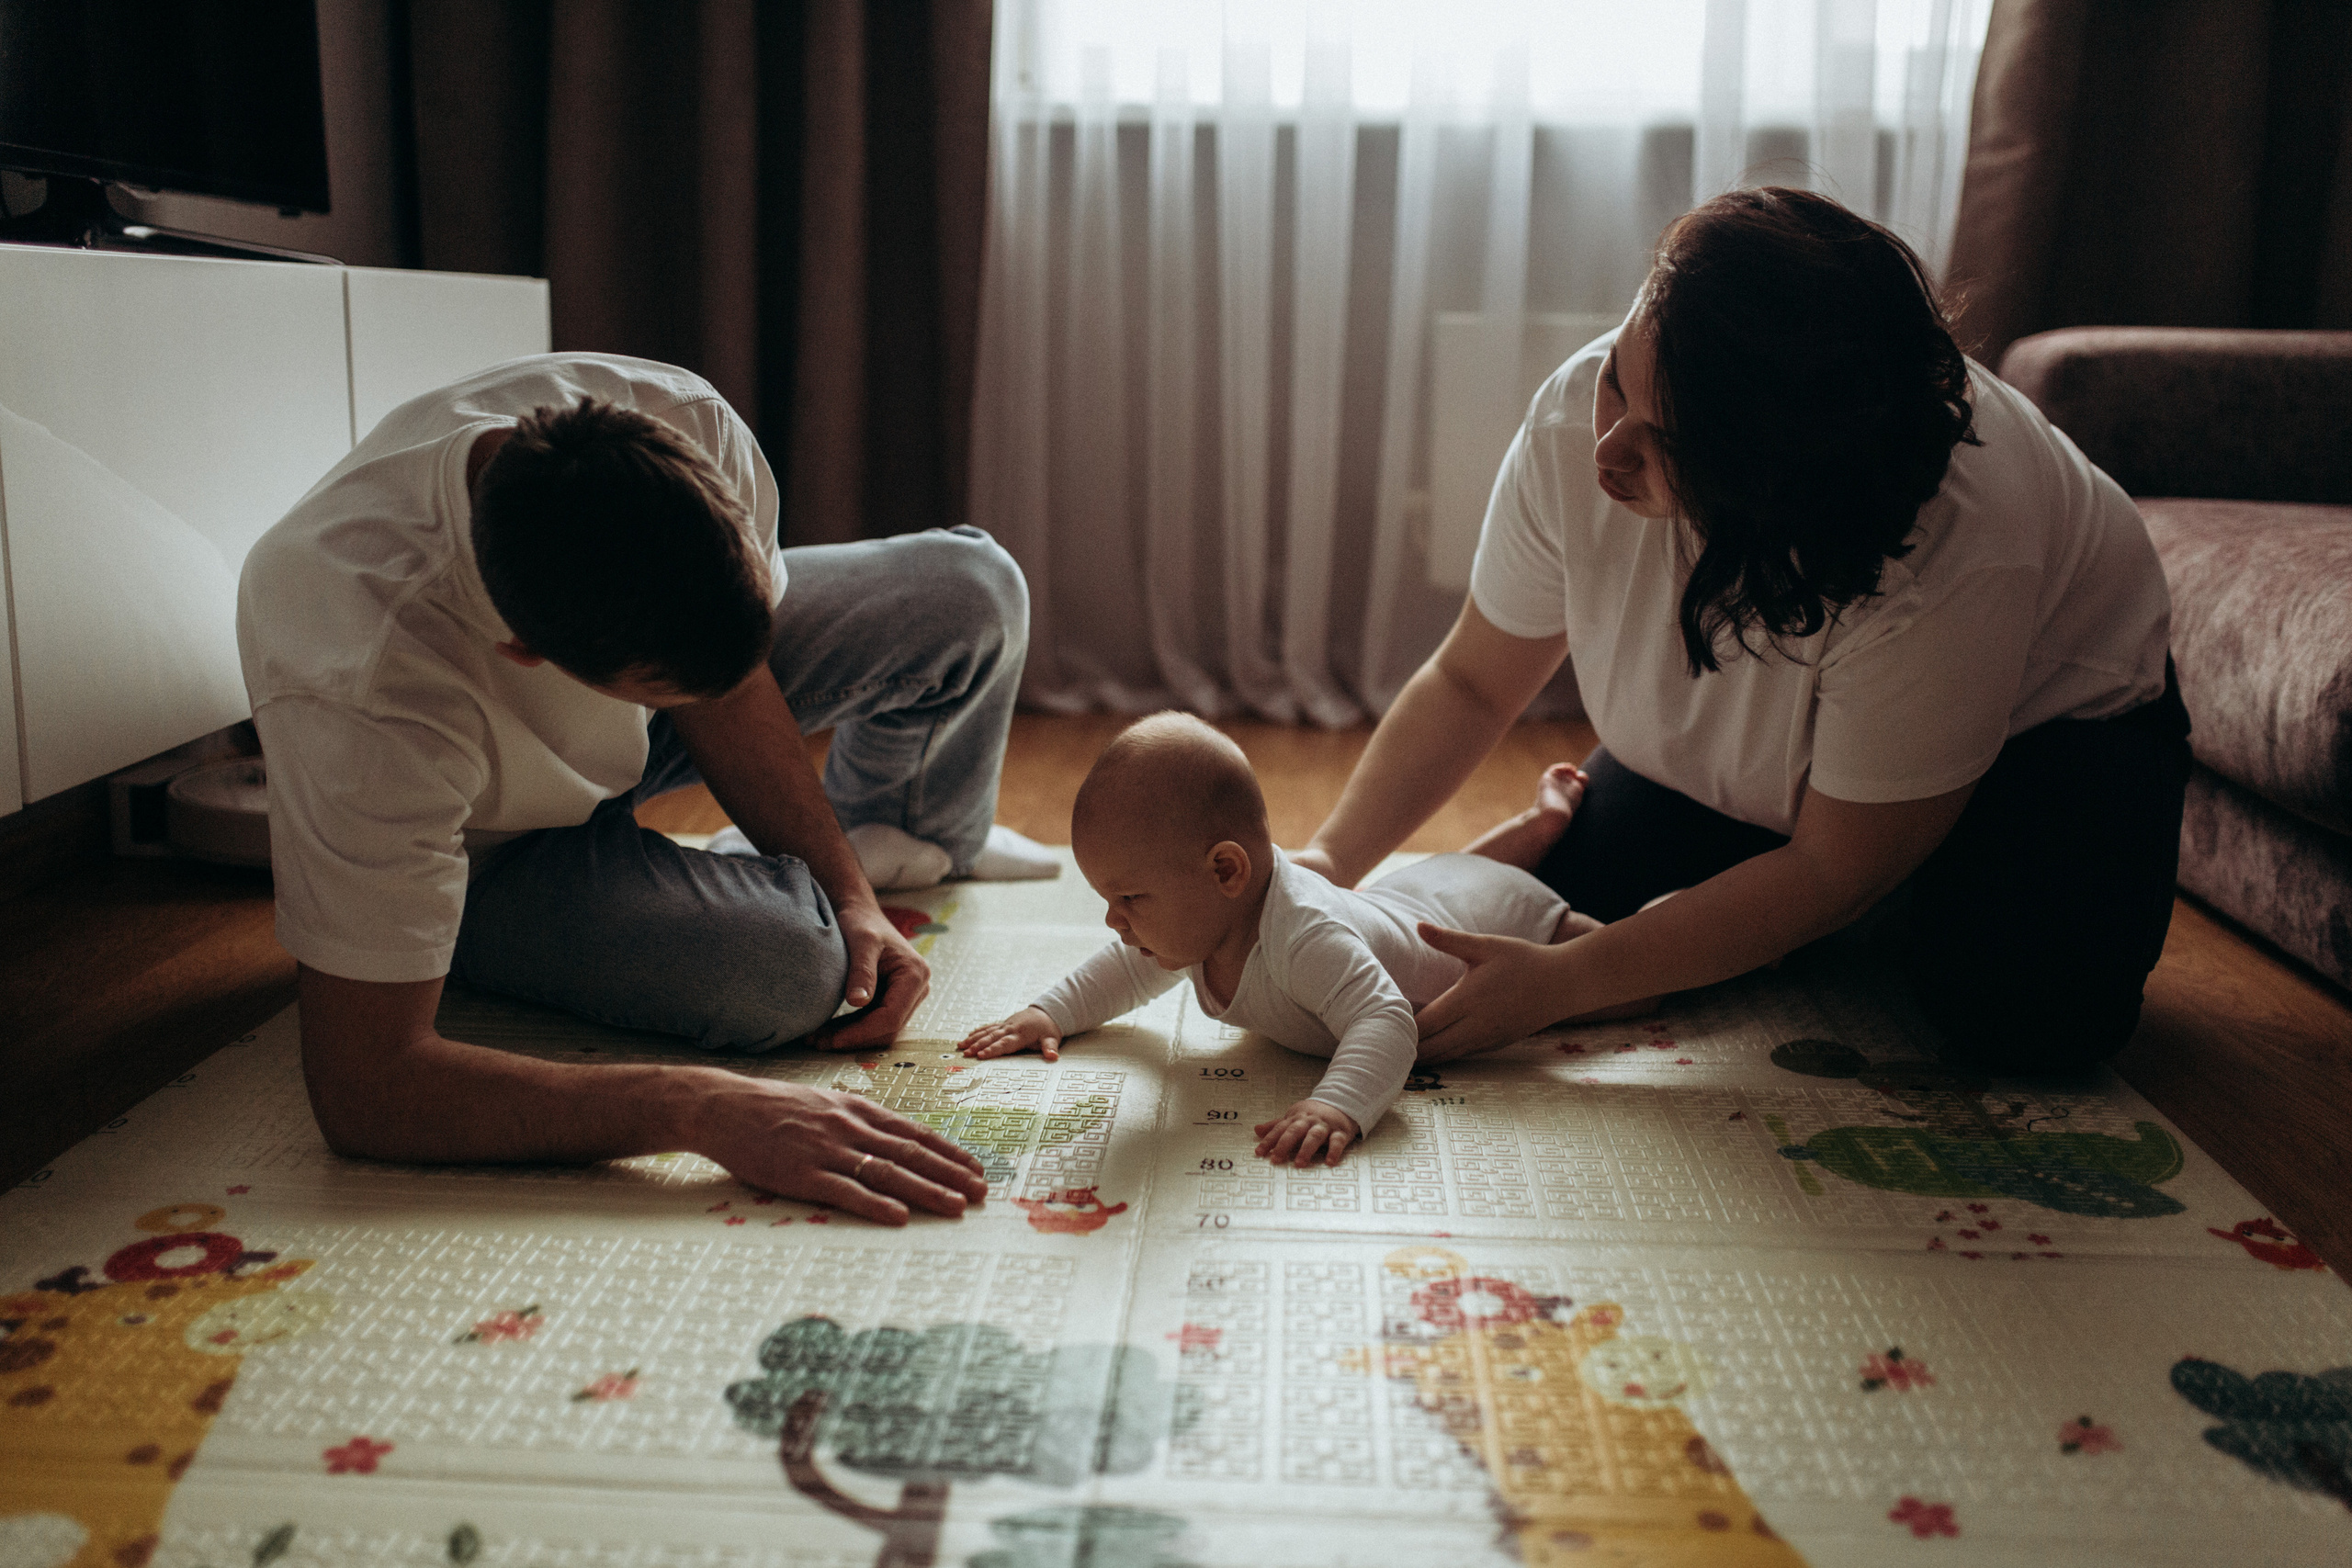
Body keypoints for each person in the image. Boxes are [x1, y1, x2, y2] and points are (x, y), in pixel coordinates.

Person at [1294, 187, 2190, 1075]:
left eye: (1670, 442)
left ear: (1777, 477)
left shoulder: (1953, 543)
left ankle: (1921, 875)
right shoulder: (1578, 418)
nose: (1607, 451)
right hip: (1784, 764)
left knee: (2022, 1020)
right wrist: (1327, 864)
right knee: (1561, 912)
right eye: (1616, 383)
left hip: (2054, 735)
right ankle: (1868, 872)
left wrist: (1568, 984)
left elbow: (1834, 869)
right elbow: (1472, 682)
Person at [238, 352, 1059, 1225]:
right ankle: (443, 939)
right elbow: (365, 1086)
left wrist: (850, 891)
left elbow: (733, 688)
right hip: (486, 849)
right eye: (673, 685)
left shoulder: (686, 419)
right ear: (523, 649)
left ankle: (883, 837)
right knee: (791, 972)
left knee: (973, 593)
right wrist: (699, 1107)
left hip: (632, 684)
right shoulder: (362, 676)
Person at [954, 714, 1623, 1167]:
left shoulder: (1302, 935)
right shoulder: (1200, 921)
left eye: (1128, 899)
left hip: (1502, 930)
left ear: (1226, 871)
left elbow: (1386, 1019)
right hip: (1421, 897)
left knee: (1618, 982)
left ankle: (1558, 839)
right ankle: (1541, 826)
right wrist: (1050, 1012)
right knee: (1433, 888)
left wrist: (1338, 1104)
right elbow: (1124, 970)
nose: (1114, 921)